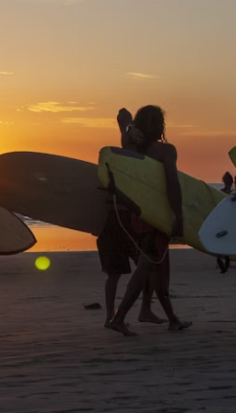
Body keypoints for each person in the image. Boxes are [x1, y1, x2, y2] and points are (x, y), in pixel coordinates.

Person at [106, 106, 192, 336]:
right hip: (158, 217)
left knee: (159, 268)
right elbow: (173, 184)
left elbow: (122, 120)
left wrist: (127, 126)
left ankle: (172, 318)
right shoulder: (166, 151)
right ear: (161, 126)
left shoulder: (130, 145)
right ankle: (120, 317)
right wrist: (179, 216)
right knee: (146, 268)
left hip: (139, 214)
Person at [97, 113, 168, 329]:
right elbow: (122, 114)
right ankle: (110, 316)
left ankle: (145, 310)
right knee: (115, 273)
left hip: (135, 221)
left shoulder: (144, 158)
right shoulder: (120, 156)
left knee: (146, 270)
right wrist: (128, 127)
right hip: (115, 221)